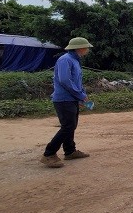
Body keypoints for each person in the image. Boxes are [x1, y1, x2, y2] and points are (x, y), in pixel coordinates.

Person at [40, 37, 93, 168]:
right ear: (79, 48)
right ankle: (49, 154)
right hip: (64, 99)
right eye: (86, 47)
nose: (87, 50)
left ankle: (70, 151)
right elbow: (65, 81)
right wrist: (80, 94)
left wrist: (81, 97)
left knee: (71, 125)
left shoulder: (74, 60)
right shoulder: (65, 60)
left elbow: (76, 81)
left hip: (71, 99)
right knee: (68, 126)